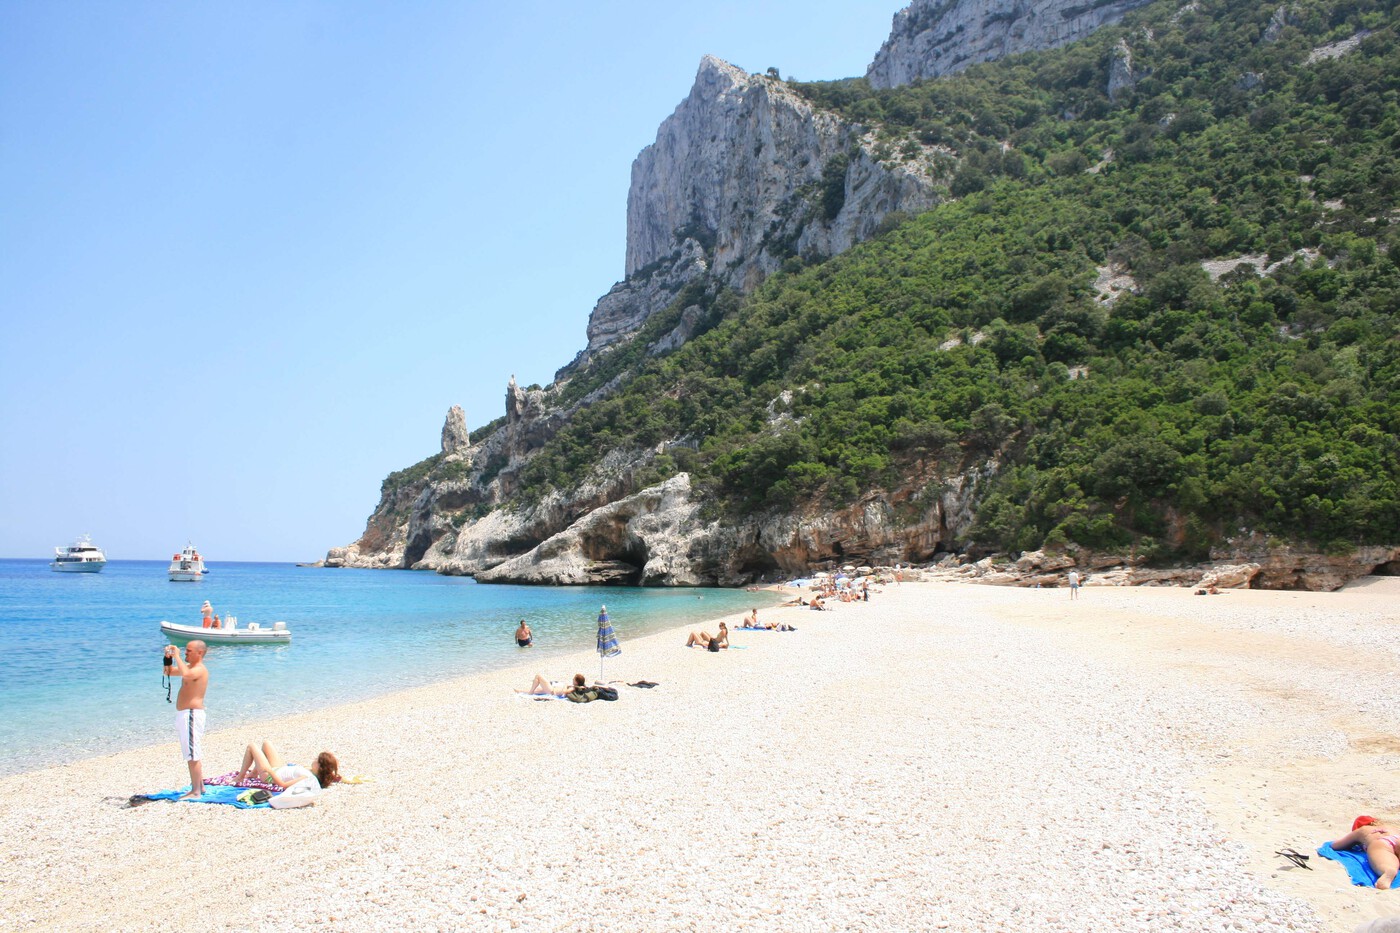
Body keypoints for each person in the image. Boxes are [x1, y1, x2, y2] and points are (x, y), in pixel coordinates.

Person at [164, 640, 209, 800]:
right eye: (185, 651)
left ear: (200, 653)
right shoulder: (189, 668)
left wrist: (176, 655)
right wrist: (168, 657)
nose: (186, 653)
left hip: (192, 714)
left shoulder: (199, 669)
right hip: (185, 714)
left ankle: (195, 790)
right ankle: (199, 786)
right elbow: (168, 672)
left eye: (189, 651)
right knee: (191, 751)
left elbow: (187, 675)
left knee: (192, 753)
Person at [234, 740, 339, 790]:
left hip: (269, 777)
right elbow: (330, 773)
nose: (314, 760)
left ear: (320, 767)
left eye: (317, 760)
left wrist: (269, 770)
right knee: (267, 744)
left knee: (251, 746)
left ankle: (240, 777)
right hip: (280, 768)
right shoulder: (315, 773)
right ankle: (253, 773)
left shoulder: (307, 777)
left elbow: (283, 785)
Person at [1331, 816, 1400, 889]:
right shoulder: (1389, 827)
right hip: (1397, 838)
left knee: (1386, 863)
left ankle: (1388, 871)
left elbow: (1337, 845)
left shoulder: (1362, 830)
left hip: (1381, 843)